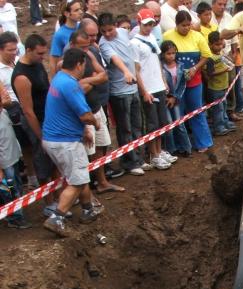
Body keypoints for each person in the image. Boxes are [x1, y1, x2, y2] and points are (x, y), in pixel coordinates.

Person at [41, 48, 101, 237]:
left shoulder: (59, 79)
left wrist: (83, 130)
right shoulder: (71, 85)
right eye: (84, 65)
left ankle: (88, 209)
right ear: (79, 65)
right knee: (77, 181)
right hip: (66, 142)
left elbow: (68, 112)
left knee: (79, 175)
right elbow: (85, 114)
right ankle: (56, 218)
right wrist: (95, 123)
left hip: (53, 139)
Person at [71, 25, 124, 193]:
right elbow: (77, 88)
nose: (85, 50)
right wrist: (93, 79)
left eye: (87, 46)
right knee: (87, 151)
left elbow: (104, 74)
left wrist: (89, 80)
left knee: (102, 145)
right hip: (83, 112)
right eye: (82, 47)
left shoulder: (89, 54)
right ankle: (87, 190)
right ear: (72, 45)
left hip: (96, 107)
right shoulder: (66, 63)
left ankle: (102, 182)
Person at [12, 33, 58, 214]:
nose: (42, 57)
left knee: (53, 161)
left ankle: (57, 197)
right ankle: (48, 203)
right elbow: (28, 111)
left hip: (47, 118)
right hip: (35, 122)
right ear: (28, 50)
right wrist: (40, 135)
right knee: (42, 163)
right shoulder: (21, 76)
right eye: (39, 54)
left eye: (43, 53)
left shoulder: (37, 65)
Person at [99, 12, 146, 175]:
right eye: (103, 31)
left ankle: (139, 158)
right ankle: (130, 161)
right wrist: (126, 71)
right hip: (119, 91)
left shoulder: (125, 33)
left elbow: (132, 52)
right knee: (125, 128)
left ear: (115, 27)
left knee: (137, 125)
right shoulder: (104, 44)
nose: (107, 34)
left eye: (110, 30)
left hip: (132, 88)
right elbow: (115, 59)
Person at [131, 8, 176, 169]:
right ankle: (154, 154)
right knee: (152, 123)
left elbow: (157, 62)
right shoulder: (134, 43)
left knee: (162, 122)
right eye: (146, 24)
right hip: (148, 88)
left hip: (158, 85)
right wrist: (144, 91)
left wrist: (163, 81)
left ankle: (160, 150)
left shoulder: (151, 37)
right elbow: (136, 70)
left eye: (151, 24)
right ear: (139, 23)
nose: (149, 27)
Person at [163, 10, 212, 153]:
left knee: (197, 111)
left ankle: (203, 141)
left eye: (188, 25)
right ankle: (180, 145)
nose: (186, 28)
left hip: (194, 81)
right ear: (176, 25)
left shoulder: (197, 36)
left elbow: (206, 55)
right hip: (175, 85)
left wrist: (195, 68)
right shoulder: (167, 36)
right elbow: (162, 56)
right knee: (178, 113)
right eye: (183, 25)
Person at [210, 0, 243, 118]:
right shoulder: (207, 17)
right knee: (215, 87)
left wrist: (234, 55)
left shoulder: (229, 17)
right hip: (212, 57)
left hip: (227, 56)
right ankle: (217, 116)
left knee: (230, 85)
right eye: (219, 4)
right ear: (213, 4)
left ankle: (231, 111)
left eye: (224, 5)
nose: (222, 7)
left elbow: (234, 39)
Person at [0, 81, 29, 229]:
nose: (6, 93)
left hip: (13, 158)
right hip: (5, 165)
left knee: (16, 186)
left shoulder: (4, 112)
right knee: (10, 190)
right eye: (2, 92)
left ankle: (17, 212)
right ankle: (14, 217)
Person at [160, 39, 191, 157]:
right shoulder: (160, 68)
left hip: (177, 99)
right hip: (164, 100)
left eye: (173, 53)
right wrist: (167, 97)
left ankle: (186, 148)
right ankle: (171, 150)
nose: (171, 56)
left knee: (179, 123)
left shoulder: (180, 66)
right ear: (163, 54)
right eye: (168, 53)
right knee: (168, 124)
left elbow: (183, 84)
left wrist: (175, 97)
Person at [204, 30, 235, 136]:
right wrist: (224, 70)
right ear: (210, 45)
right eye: (217, 45)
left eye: (221, 44)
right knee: (218, 108)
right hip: (215, 88)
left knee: (224, 105)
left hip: (223, 86)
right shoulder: (210, 58)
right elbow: (210, 73)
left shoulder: (220, 54)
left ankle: (225, 122)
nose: (220, 47)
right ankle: (219, 127)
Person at [50, 0, 83, 77]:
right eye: (76, 10)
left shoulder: (82, 26)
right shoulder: (59, 34)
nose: (80, 12)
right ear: (67, 14)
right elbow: (53, 62)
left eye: (80, 9)